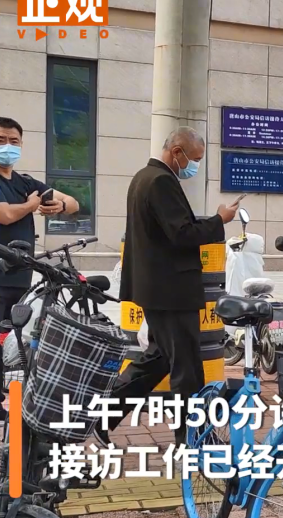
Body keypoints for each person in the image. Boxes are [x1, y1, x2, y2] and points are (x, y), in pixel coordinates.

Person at [96, 127, 238, 449]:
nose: (195, 165)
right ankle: (194, 439)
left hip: (157, 289)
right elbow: (182, 234)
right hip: (171, 291)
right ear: (177, 152)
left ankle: (101, 417)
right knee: (187, 369)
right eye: (194, 158)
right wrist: (220, 220)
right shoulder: (160, 181)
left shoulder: (143, 177)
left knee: (158, 360)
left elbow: (169, 231)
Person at [0, 117, 79, 444]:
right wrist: (33, 204)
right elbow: (4, 214)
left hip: (21, 280)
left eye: (14, 141)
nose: (7, 146)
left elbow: (73, 204)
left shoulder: (24, 182)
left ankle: (8, 410)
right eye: (0, 139)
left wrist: (57, 205)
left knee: (17, 348)